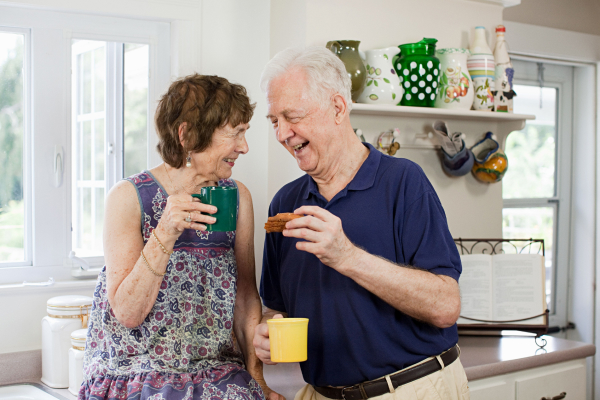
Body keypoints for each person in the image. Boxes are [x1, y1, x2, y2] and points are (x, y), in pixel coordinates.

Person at [253, 47, 469, 400]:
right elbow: (275, 307)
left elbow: (445, 306)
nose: (282, 134)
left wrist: (347, 257)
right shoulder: (286, 203)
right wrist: (267, 331)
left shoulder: (404, 182)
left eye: (292, 116)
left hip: (412, 388)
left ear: (338, 108)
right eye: (274, 121)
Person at [80, 74, 282, 400]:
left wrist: (257, 379)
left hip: (213, 367)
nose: (244, 147)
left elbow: (245, 299)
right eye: (235, 134)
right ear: (187, 134)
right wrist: (166, 229)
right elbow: (128, 313)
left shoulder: (237, 196)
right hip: (133, 366)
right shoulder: (128, 198)